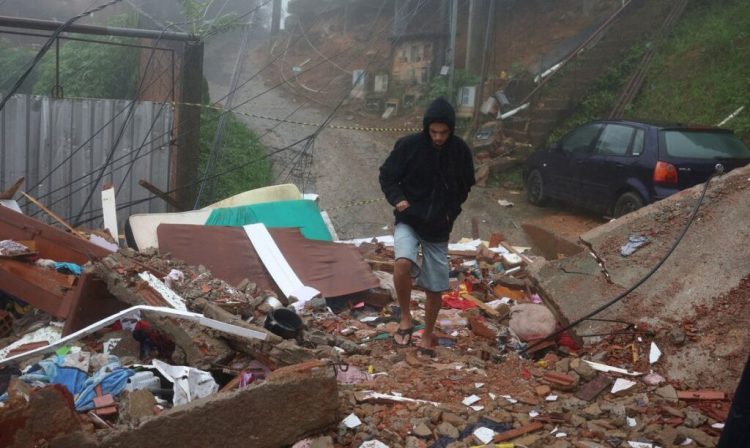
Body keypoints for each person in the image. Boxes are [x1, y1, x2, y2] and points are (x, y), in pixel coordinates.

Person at [379, 97, 475, 357]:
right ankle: (406, 318)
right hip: (409, 219)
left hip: (438, 227)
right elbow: (387, 175)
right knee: (402, 263)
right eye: (434, 132)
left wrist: (450, 212)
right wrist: (399, 200)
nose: (439, 137)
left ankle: (428, 334)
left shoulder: (460, 151)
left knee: (435, 285)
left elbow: (466, 184)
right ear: (426, 128)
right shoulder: (409, 146)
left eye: (444, 132)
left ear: (451, 130)